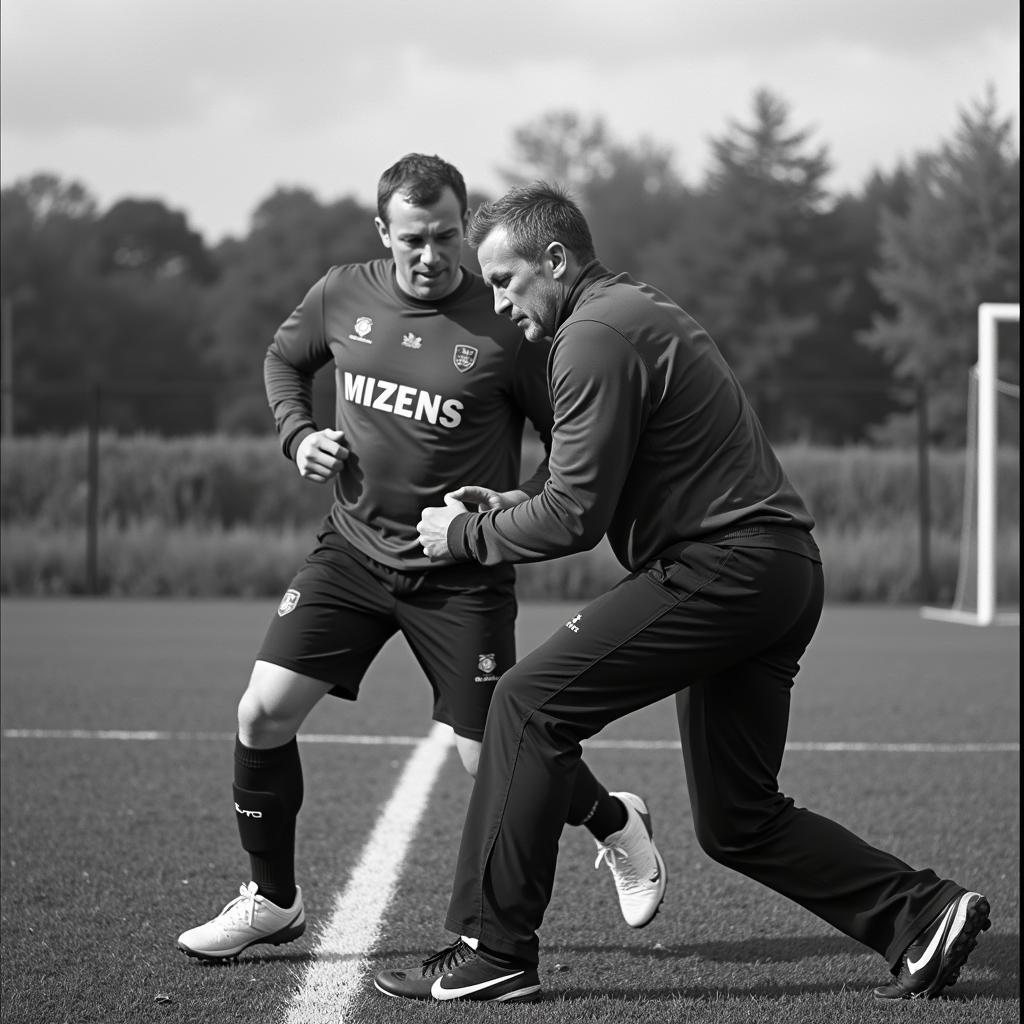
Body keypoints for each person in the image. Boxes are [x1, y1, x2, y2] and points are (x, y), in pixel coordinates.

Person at [373, 182, 991, 1005]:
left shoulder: (589, 335)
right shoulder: (622, 313)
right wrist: (505, 501)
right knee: (739, 821)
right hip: (776, 570)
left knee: (523, 704)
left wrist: (467, 536)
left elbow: (575, 518)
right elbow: (572, 482)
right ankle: (923, 915)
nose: (497, 301)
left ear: (554, 260)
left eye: (504, 280)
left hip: (723, 567)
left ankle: (493, 948)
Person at [176, 156, 666, 962]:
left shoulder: (508, 320)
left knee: (492, 757)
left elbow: (566, 448)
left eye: (446, 237)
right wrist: (298, 434)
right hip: (353, 552)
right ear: (383, 234)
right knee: (261, 712)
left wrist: (512, 505)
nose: (432, 254)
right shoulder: (341, 292)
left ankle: (616, 822)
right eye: (413, 239)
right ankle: (272, 898)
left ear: (465, 228)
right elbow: (282, 361)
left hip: (461, 574)